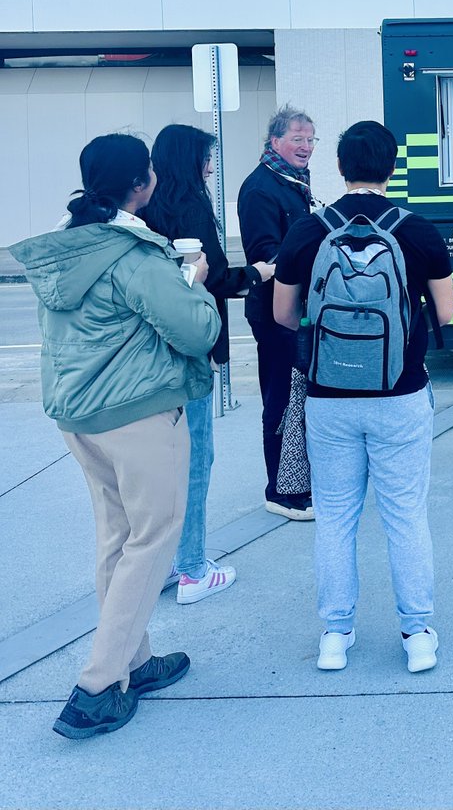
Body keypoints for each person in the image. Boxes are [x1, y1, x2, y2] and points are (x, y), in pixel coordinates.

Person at [12, 134, 220, 739]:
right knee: (153, 538)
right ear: (141, 183)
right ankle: (98, 685)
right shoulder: (132, 256)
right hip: (137, 414)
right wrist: (195, 281)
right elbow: (196, 332)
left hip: (80, 415)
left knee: (117, 535)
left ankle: (134, 658)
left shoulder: (67, 250)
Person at [272, 121, 453, 675]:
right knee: (405, 515)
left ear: (341, 168)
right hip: (400, 394)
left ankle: (335, 635)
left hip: (328, 398)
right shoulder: (418, 231)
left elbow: (283, 315)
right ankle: (417, 633)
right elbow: (444, 314)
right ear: (391, 166)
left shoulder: (308, 231)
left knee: (334, 517)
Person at [142, 124, 276, 603]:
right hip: (191, 348)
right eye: (206, 159)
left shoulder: (142, 212)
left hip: (149, 353)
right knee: (197, 457)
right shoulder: (192, 208)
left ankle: (162, 566)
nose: (211, 168)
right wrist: (258, 273)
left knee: (161, 463)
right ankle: (194, 568)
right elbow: (215, 278)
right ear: (189, 161)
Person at [238, 105, 318, 520]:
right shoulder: (261, 189)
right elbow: (265, 254)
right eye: (297, 139)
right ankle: (281, 491)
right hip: (274, 313)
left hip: (295, 307)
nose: (305, 146)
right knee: (281, 398)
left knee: (298, 397)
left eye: (310, 139)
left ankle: (298, 482)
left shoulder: (291, 182)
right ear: (275, 142)